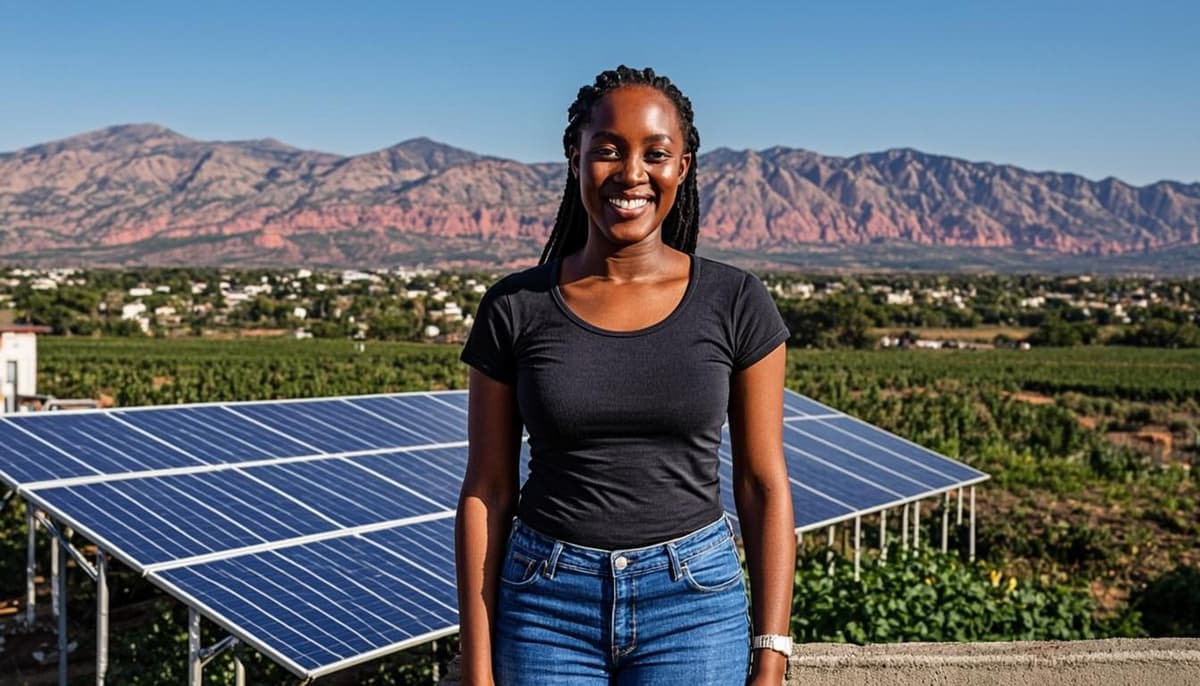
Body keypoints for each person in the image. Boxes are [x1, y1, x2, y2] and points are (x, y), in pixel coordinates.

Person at [455, 65, 795, 685]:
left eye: (655, 154)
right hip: (545, 605)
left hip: (693, 605)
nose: (631, 173)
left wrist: (771, 654)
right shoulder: (515, 307)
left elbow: (761, 484)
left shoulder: (737, 301)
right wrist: (478, 669)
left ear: (682, 168)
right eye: (608, 151)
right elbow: (488, 490)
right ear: (575, 158)